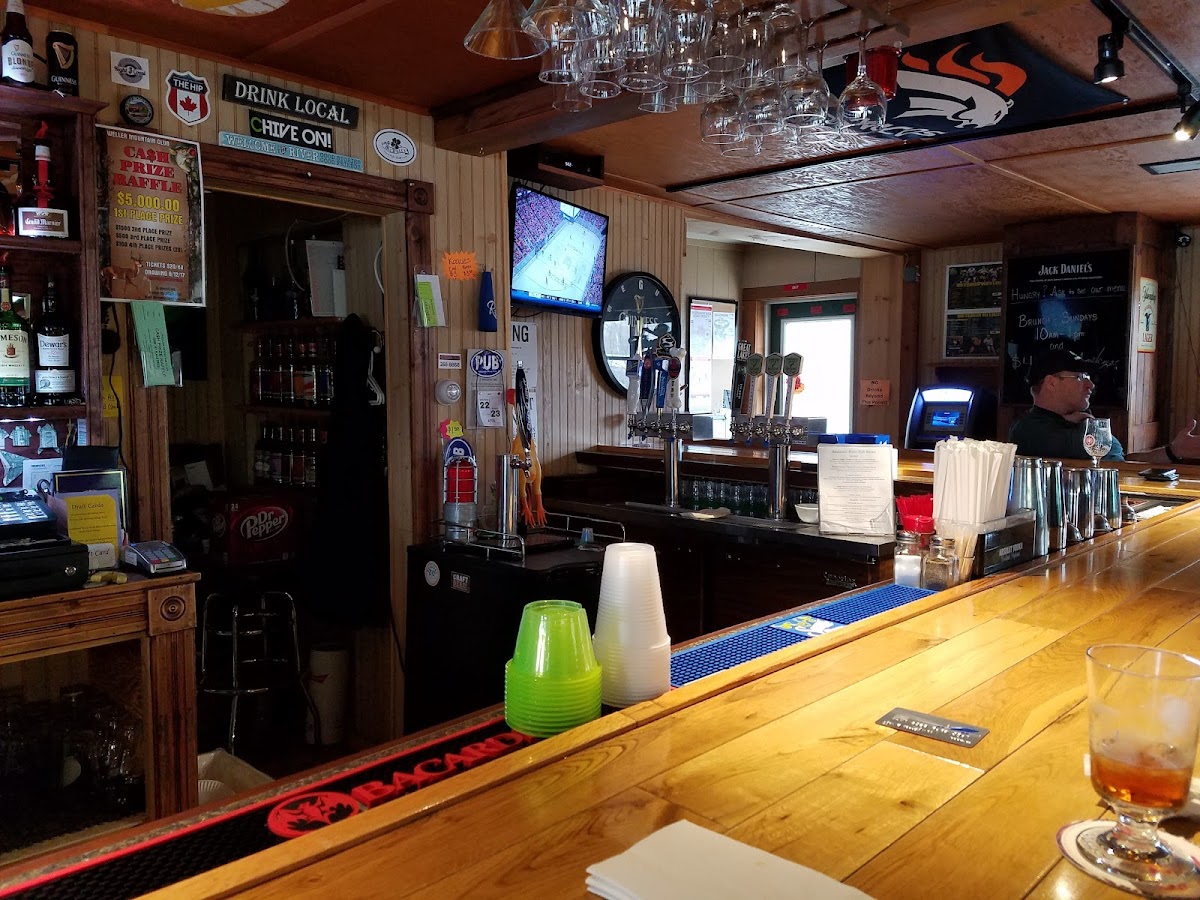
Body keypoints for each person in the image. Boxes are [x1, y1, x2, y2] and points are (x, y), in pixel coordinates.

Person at [1008, 348, 1200, 464]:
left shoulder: (1072, 422)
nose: (1090, 384)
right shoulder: (1028, 430)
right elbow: (1102, 454)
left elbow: (1118, 462)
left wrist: (1173, 451)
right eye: (1080, 377)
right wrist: (1087, 421)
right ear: (1051, 382)